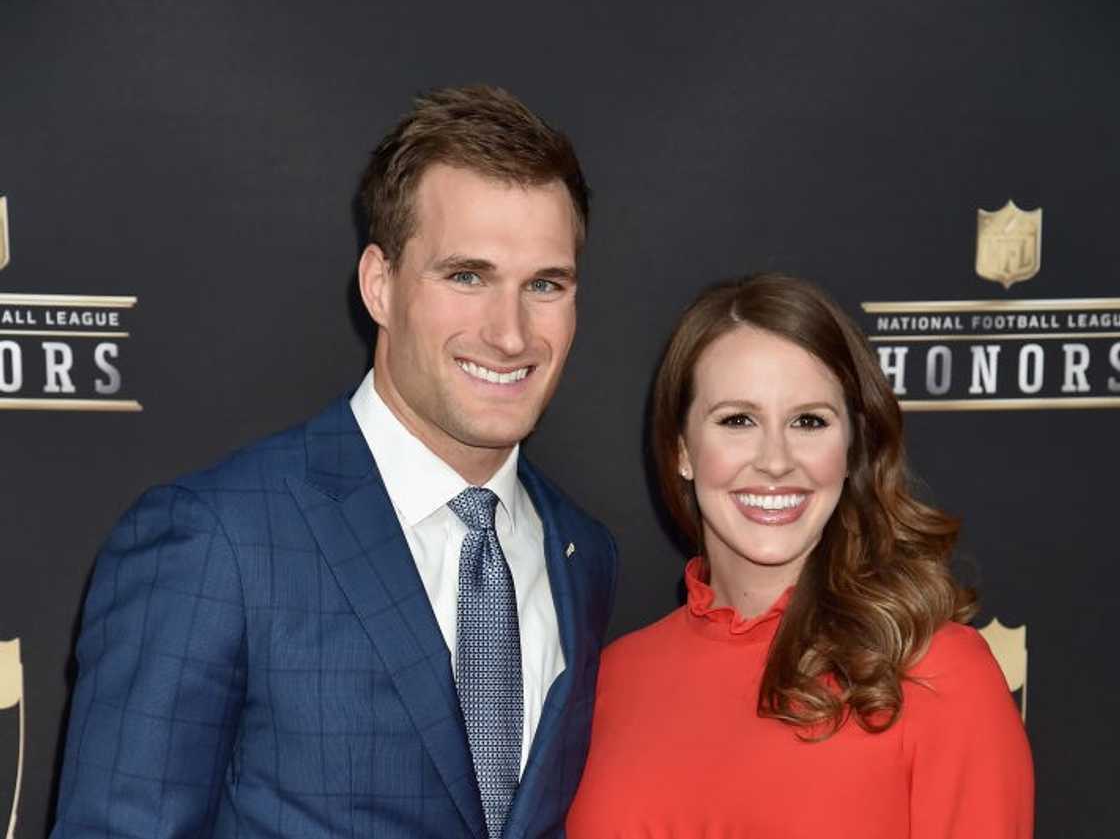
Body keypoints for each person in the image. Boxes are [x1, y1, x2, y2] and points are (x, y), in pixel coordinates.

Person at [51, 85, 617, 839]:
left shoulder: (582, 553)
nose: (511, 333)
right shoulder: (218, 541)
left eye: (545, 285)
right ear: (379, 284)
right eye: (466, 275)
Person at [566, 274, 1032, 838]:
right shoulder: (613, 678)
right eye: (738, 420)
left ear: (851, 446)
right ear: (682, 450)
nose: (776, 460)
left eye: (808, 421)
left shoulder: (937, 672)